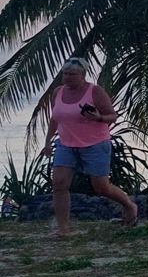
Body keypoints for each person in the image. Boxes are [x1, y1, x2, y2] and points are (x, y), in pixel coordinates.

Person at [43, 57, 137, 237]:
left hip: (94, 145)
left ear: (82, 75)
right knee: (59, 184)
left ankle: (129, 205)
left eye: (72, 74)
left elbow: (112, 116)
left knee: (101, 187)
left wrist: (99, 118)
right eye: (65, 74)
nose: (67, 77)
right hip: (66, 144)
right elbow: (55, 118)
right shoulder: (58, 92)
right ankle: (63, 228)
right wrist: (47, 142)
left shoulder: (94, 92)